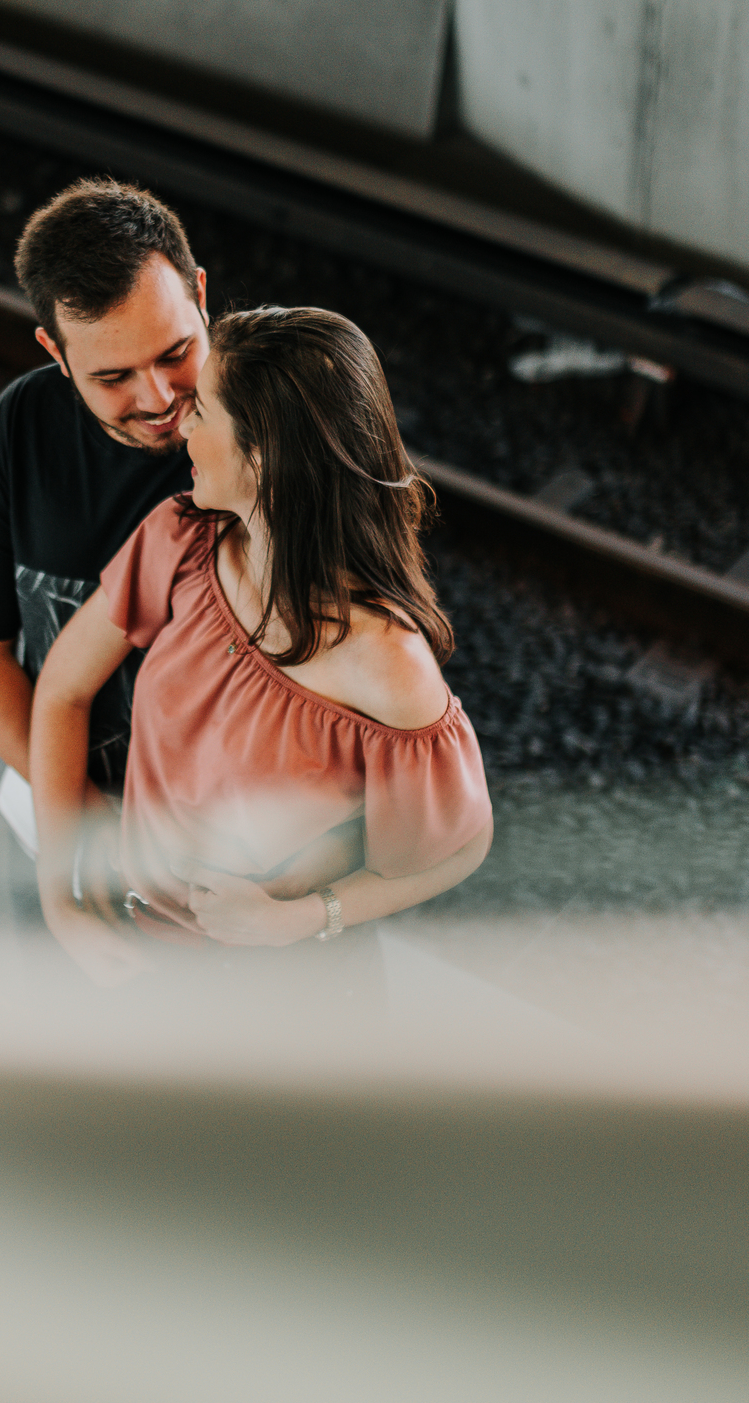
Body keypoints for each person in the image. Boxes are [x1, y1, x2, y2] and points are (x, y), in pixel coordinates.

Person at [29, 306, 493, 983]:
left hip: (286, 986)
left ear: (262, 458)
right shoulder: (179, 540)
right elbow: (63, 692)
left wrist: (297, 920)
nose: (179, 425)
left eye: (203, 412)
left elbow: (459, 849)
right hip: (141, 946)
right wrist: (59, 899)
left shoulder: (386, 661)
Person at [0, 177, 209, 856]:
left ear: (201, 295)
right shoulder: (26, 422)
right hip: (61, 827)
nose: (159, 398)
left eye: (176, 353)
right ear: (56, 353)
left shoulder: (279, 414)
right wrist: (86, 821)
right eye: (113, 377)